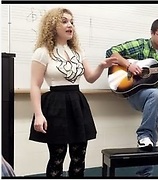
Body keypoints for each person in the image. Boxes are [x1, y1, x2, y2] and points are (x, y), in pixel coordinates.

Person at [28, 7, 117, 177]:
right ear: (52, 26)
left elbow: (90, 78)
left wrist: (101, 66)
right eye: (64, 21)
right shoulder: (43, 52)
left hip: (77, 103)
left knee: (79, 158)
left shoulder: (78, 51)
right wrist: (38, 115)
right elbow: (34, 85)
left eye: (72, 22)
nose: (70, 25)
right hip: (55, 106)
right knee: (57, 157)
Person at [105, 18, 158, 177]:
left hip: (154, 100)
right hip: (134, 93)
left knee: (152, 135)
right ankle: (143, 134)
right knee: (157, 94)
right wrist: (129, 65)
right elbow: (111, 52)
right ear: (152, 33)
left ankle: (144, 174)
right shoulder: (140, 45)